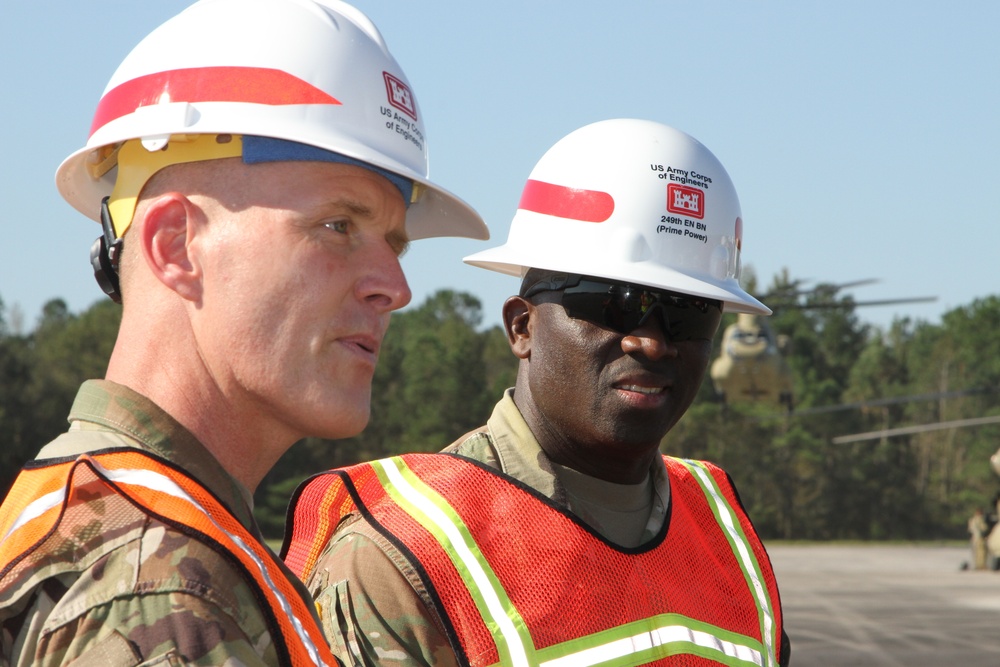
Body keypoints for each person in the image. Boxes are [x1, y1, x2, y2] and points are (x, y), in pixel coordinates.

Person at [0, 1, 487, 665]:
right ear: (177, 245)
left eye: (394, 243)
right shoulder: (167, 596)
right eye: (336, 225)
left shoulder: (107, 514)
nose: (394, 287)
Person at [283, 119, 790, 666]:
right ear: (522, 327)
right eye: (613, 303)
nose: (651, 340)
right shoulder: (402, 555)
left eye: (690, 312)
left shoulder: (724, 534)